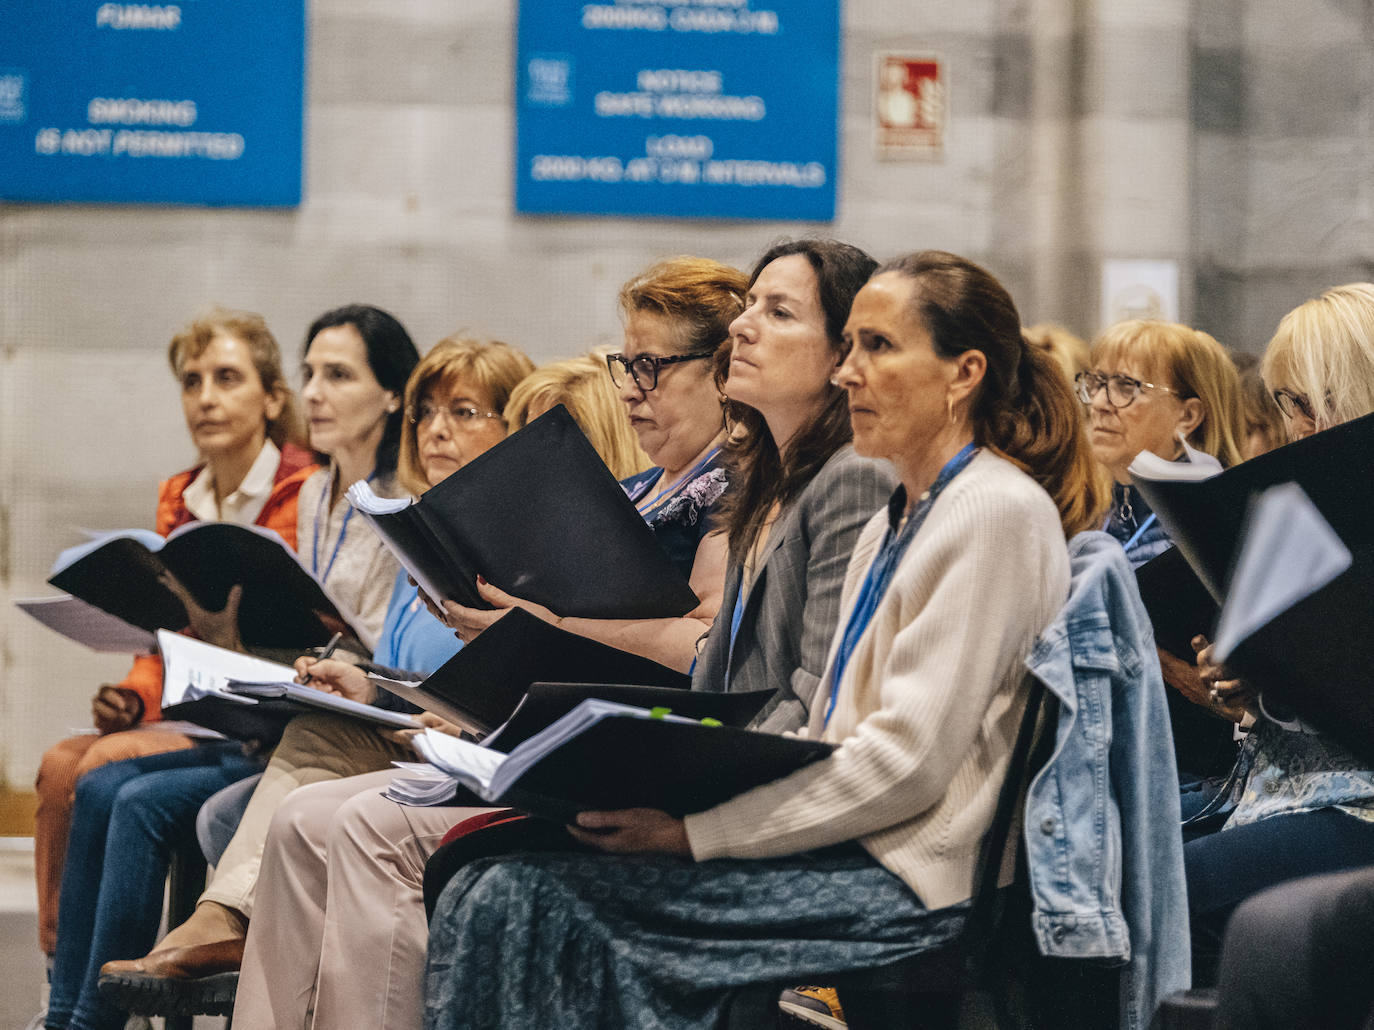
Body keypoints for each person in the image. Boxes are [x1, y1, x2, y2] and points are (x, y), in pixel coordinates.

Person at [420, 249, 1103, 1029]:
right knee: (486, 884)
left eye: (878, 347)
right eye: (851, 347)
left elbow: (904, 766)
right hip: (855, 845)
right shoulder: (900, 518)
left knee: (521, 899)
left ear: (963, 374)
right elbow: (829, 733)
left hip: (911, 878)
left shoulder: (992, 510)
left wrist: (694, 833)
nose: (850, 372)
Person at [228, 258, 751, 1030]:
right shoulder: (640, 490)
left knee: (367, 829)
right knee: (301, 819)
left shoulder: (731, 491)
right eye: (626, 364)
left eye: (652, 366)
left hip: (615, 767)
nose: (631, 389)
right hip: (530, 738)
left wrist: (540, 628)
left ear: (722, 374)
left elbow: (703, 646)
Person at [96, 337, 534, 1012]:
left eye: (465, 411)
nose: (436, 429)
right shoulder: (427, 540)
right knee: (124, 783)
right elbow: (405, 671)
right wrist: (365, 684)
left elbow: (509, 689)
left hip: (468, 753)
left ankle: (219, 926)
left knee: (192, 796)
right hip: (408, 737)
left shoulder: (515, 550)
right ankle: (112, 994)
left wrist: (410, 705)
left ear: (518, 427)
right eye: (426, 412)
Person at [40, 305, 420, 1030]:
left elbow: (386, 649)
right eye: (310, 373)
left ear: (393, 394)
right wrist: (216, 648)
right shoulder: (318, 493)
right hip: (277, 711)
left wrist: (286, 655)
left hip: (346, 721)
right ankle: (68, 1011)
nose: (315, 392)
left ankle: (110, 1006)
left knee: (125, 789)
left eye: (338, 375)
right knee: (81, 772)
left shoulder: (388, 497)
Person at [32, 308, 316, 979]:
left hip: (254, 714)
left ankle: (104, 991)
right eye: (192, 382)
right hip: (186, 708)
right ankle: (58, 972)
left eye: (227, 378)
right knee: (59, 764)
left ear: (272, 398)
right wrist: (133, 698)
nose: (205, 397)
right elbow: (159, 639)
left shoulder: (303, 490)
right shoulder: (180, 496)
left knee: (107, 764)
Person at [1184, 283, 1374, 984]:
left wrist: (1284, 676)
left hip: (1357, 802)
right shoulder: (1318, 496)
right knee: (1109, 856)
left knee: (1172, 891)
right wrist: (1250, 686)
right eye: (1285, 403)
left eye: (1300, 401)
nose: (1291, 424)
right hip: (1282, 785)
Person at [1076, 318, 1245, 568]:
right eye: (1097, 382)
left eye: (1126, 386)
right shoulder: (1086, 510)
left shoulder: (1211, 534)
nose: (1099, 403)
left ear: (1187, 417)